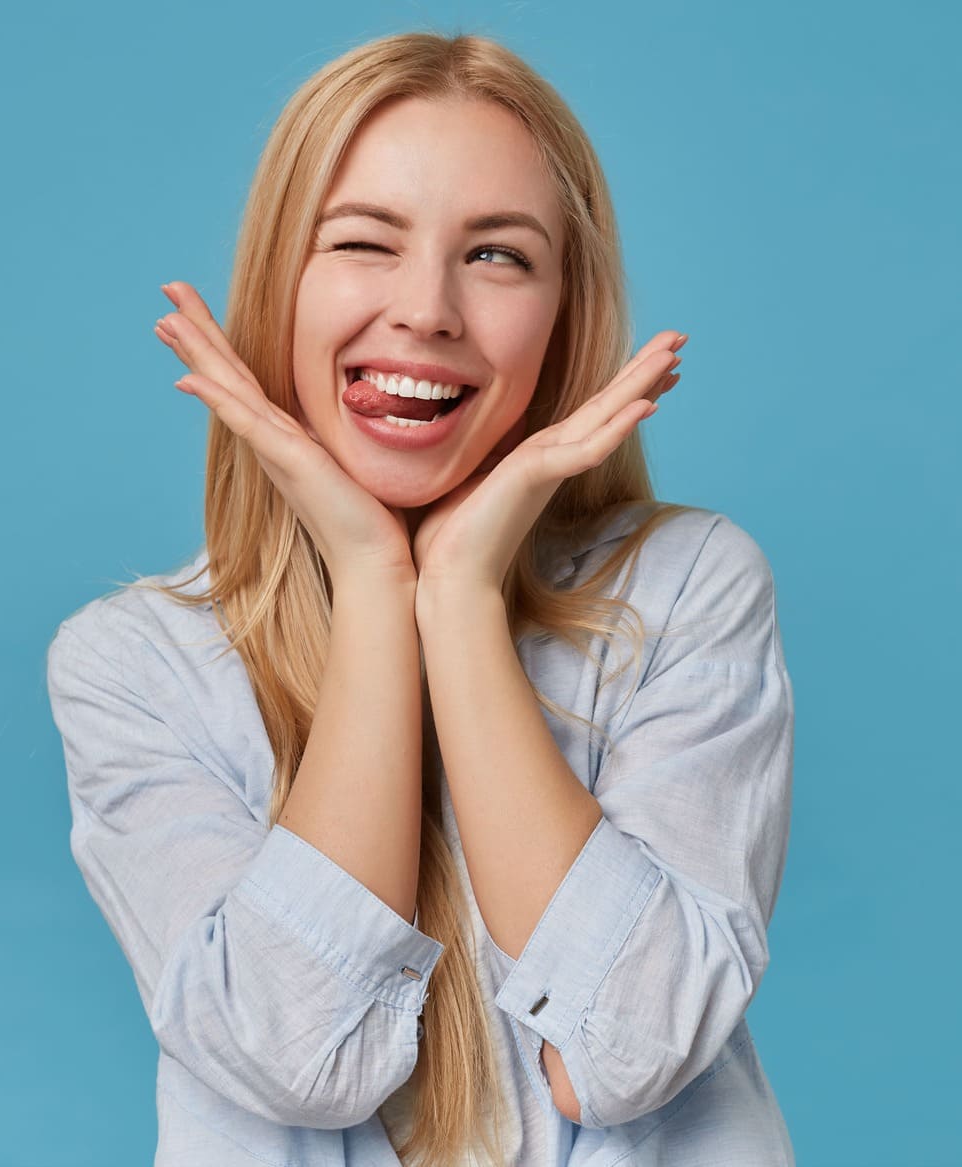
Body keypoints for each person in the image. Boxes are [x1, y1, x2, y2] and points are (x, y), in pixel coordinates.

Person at [44, 30, 795, 1167]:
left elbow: (627, 1054)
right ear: (277, 282)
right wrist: (371, 582)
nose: (427, 309)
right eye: (361, 243)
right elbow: (300, 1059)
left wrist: (456, 600)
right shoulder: (134, 665)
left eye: (497, 255)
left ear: (561, 315)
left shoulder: (686, 587)